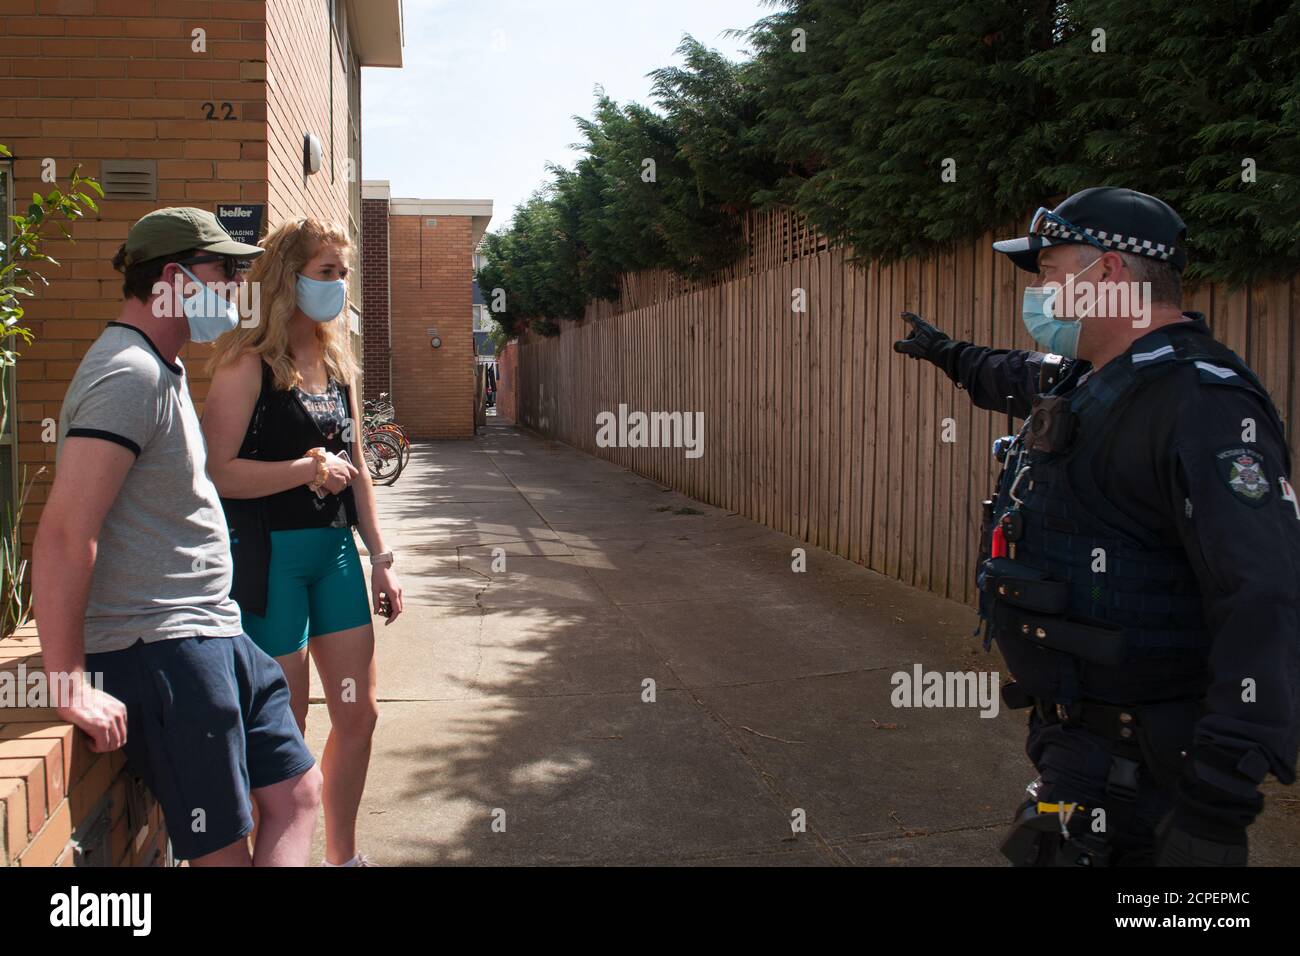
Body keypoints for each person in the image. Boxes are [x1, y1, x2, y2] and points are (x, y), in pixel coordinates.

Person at [894, 186, 1300, 866]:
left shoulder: (1200, 402)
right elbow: (1013, 375)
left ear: (1108, 273)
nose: (1041, 295)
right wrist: (948, 354)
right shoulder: (1093, 377)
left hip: (1151, 764)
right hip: (1080, 745)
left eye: (1050, 274)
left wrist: (1221, 795)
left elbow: (1264, 593)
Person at [32, 207, 323, 866]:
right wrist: (67, 679)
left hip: (212, 634)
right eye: (224, 270)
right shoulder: (126, 375)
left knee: (299, 793)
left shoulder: (162, 368)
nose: (235, 285)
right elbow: (63, 532)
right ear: (172, 278)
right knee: (224, 855)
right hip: (163, 649)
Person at [202, 216, 404, 868]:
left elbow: (362, 470)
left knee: (359, 717)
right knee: (286, 732)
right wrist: (303, 470)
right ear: (288, 277)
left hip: (336, 557)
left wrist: (381, 558)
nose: (338, 285)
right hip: (271, 567)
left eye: (343, 273)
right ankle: (279, 855)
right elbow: (218, 471)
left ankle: (342, 858)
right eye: (327, 272)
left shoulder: (339, 362)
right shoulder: (246, 365)